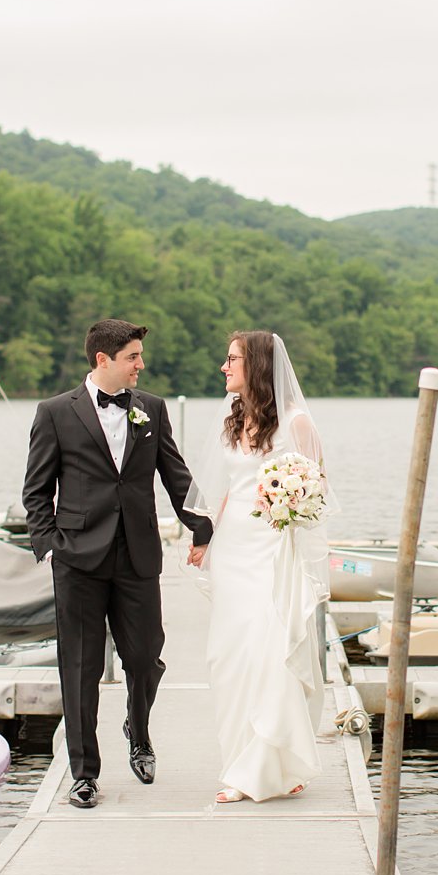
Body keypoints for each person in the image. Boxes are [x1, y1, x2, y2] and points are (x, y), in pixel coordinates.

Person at [22, 318, 212, 810]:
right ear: (103, 360)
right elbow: (37, 490)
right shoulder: (54, 413)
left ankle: (139, 729)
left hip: (137, 554)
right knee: (79, 668)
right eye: (132, 357)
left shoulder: (150, 409)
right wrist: (47, 544)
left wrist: (203, 525)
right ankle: (84, 773)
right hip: (77, 559)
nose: (141, 365)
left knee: (147, 657)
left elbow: (175, 474)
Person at [185, 330, 334, 804]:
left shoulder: (297, 424)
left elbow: (318, 488)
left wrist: (290, 503)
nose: (224, 368)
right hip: (232, 550)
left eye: (232, 360)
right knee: (227, 657)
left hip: (272, 553)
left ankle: (266, 767)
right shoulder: (234, 420)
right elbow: (231, 487)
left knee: (268, 655)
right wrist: (205, 537)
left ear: (258, 366)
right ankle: (242, 759)